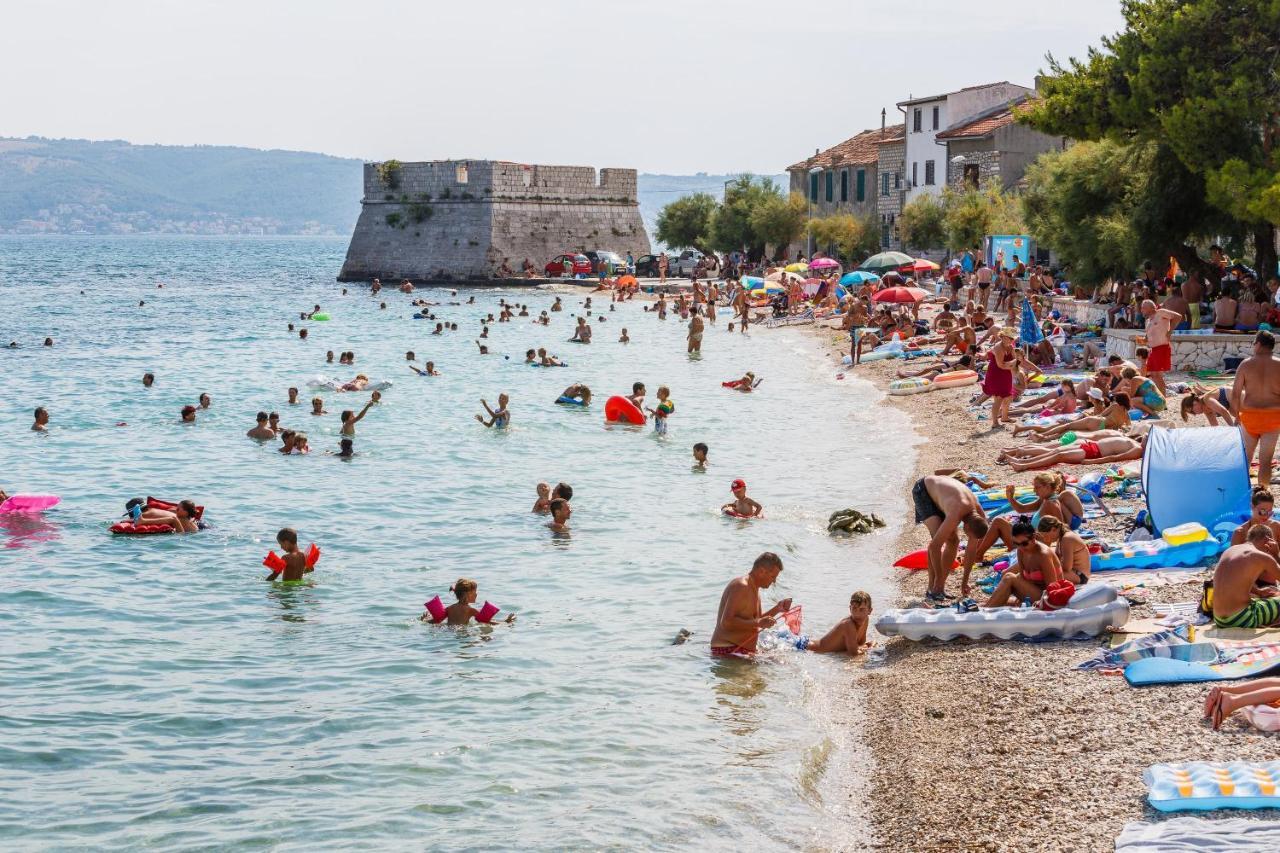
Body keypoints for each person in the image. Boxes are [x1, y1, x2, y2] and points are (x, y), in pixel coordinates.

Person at [912, 475, 990, 603]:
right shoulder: (956, 513)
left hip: (945, 496)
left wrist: (965, 582)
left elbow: (971, 551)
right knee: (937, 538)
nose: (969, 539)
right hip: (924, 490)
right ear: (967, 526)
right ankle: (933, 589)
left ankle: (939, 587)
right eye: (969, 535)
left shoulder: (979, 516)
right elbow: (934, 546)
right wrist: (938, 577)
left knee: (954, 541)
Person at [709, 552, 792, 657]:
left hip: (740, 651)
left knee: (782, 661)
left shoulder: (755, 589)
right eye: (772, 576)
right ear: (762, 571)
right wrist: (759, 622)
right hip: (728, 650)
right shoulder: (741, 586)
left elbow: (755, 621)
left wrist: (777, 608)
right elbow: (726, 622)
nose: (774, 581)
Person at [1232, 331, 1280, 485]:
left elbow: (1235, 394)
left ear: (1259, 344)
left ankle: (1243, 494)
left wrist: (1236, 416)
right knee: (1265, 461)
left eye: (1254, 343)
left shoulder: (1246, 364)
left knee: (1245, 459)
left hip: (1249, 416)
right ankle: (1263, 494)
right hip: (1273, 417)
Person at [980, 519, 1063, 607]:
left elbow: (1053, 587)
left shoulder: (1043, 555)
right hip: (1034, 592)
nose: (1020, 547)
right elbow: (1023, 578)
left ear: (1034, 538)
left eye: (1024, 543)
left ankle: (985, 611)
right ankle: (986, 608)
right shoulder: (1021, 551)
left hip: (1049, 595)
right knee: (1000, 595)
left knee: (1009, 577)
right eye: (1016, 543)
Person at [1212, 524, 1280, 628]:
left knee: (1260, 599)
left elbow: (1234, 580)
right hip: (1241, 618)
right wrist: (1276, 554)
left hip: (1218, 618)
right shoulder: (1261, 556)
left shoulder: (1230, 550)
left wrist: (1258, 591)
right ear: (1268, 540)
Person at [1004, 433, 1146, 472]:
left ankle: (1024, 465)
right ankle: (1023, 461)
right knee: (1057, 451)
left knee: (1059, 456)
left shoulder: (1138, 449)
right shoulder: (1134, 442)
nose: (1146, 435)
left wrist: (1093, 461)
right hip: (1091, 446)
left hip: (1094, 453)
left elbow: (1116, 458)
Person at [806, 591, 874, 656]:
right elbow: (854, 654)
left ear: (870, 611)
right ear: (850, 608)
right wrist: (870, 647)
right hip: (805, 647)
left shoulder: (866, 620)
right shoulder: (848, 624)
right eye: (854, 608)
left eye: (862, 609)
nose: (857, 613)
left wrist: (867, 646)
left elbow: (860, 644)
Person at [424, 578, 516, 625]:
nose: (476, 594)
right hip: (461, 632)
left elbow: (435, 621)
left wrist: (424, 620)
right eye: (475, 592)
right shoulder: (470, 610)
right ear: (467, 594)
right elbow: (486, 621)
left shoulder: (450, 608)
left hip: (448, 630)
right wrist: (505, 622)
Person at [1140, 299, 1181, 395]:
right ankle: (1160, 396)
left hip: (1161, 347)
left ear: (1150, 308)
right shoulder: (1148, 320)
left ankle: (1162, 397)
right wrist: (1144, 340)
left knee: (1157, 375)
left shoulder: (1161, 312)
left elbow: (1178, 316)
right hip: (1153, 349)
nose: (1141, 310)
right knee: (1153, 375)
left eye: (1143, 308)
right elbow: (1148, 335)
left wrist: (1170, 331)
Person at [1035, 515, 1091, 586]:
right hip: (1073, 572)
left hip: (1080, 575)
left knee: (1042, 575)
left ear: (1054, 529)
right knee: (1037, 572)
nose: (1045, 539)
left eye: (1046, 535)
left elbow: (1067, 567)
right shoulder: (1061, 538)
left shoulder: (1067, 538)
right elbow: (1055, 559)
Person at [982, 327, 1018, 428]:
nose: (1012, 340)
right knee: (998, 398)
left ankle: (1004, 417)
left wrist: (1013, 363)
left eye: (1012, 338)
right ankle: (994, 422)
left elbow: (1014, 359)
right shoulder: (999, 347)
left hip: (1006, 373)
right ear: (1003, 337)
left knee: (1008, 396)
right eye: (1010, 338)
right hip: (996, 374)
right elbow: (1000, 365)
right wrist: (1013, 363)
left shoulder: (1010, 346)